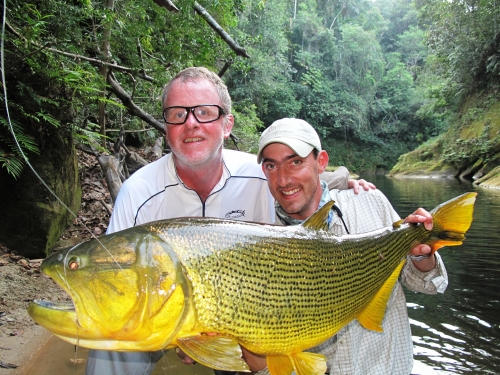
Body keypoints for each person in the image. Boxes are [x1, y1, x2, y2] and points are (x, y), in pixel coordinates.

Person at [84, 67, 367, 375]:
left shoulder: (259, 175)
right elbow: (113, 274)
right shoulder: (137, 193)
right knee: (108, 341)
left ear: (227, 124)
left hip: (240, 312)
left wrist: (348, 183)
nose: (190, 123)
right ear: (166, 126)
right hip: (161, 308)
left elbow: (301, 181)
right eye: (178, 114)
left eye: (204, 112)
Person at [240, 118, 448, 375]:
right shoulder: (261, 246)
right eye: (271, 165)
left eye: (295, 162)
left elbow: (430, 284)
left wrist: (422, 256)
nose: (283, 180)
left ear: (322, 162)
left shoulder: (370, 202)